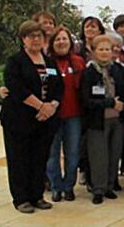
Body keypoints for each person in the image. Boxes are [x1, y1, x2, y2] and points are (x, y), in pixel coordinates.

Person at [1, 20, 63, 213]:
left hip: (44, 120)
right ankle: (21, 199)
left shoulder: (50, 62)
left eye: (39, 36)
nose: (36, 40)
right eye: (31, 36)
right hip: (19, 119)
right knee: (19, 159)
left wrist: (51, 106)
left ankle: (37, 195)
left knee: (39, 158)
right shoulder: (16, 61)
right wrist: (40, 106)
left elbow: (58, 87)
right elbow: (16, 87)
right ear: (23, 39)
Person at [80, 35, 124, 204]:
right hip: (97, 121)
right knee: (98, 156)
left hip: (118, 121)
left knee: (114, 155)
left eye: (108, 49)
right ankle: (98, 189)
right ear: (93, 52)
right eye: (100, 49)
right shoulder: (88, 72)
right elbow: (86, 100)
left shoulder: (119, 70)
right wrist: (109, 102)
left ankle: (109, 186)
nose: (105, 52)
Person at [45, 27, 86, 203]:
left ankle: (69, 186)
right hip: (51, 116)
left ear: (70, 42)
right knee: (52, 154)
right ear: (52, 43)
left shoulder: (78, 62)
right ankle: (56, 187)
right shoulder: (46, 63)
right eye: (57, 39)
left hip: (74, 115)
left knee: (73, 153)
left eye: (64, 39)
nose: (61, 42)